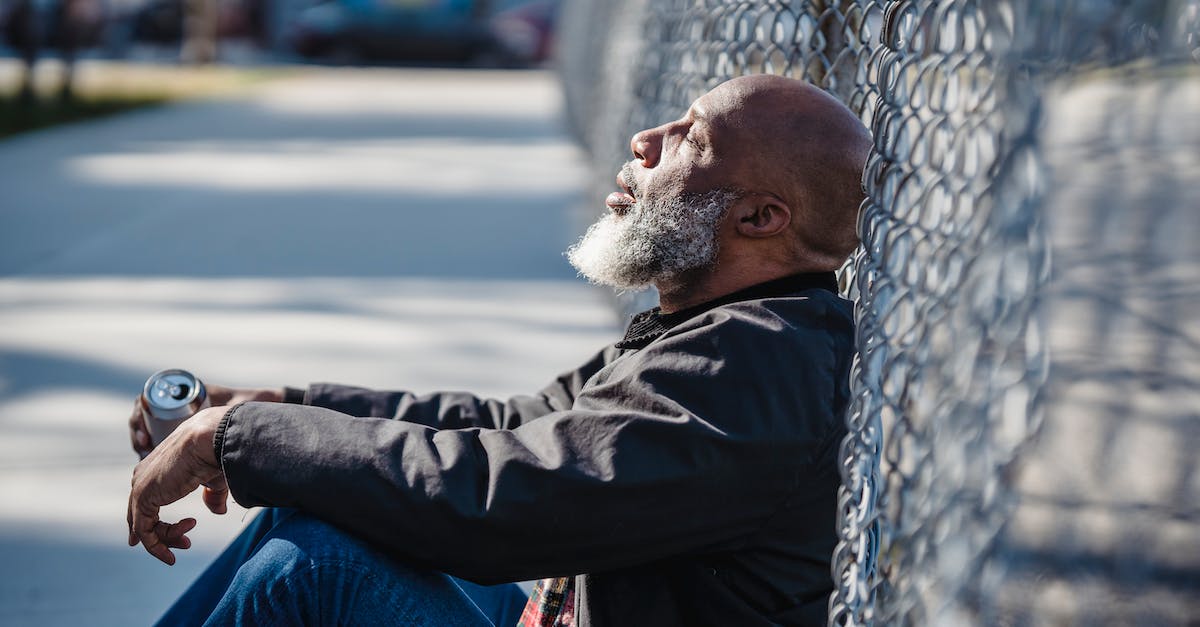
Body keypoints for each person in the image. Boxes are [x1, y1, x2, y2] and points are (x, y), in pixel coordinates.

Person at [126, 74, 872, 626]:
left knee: (316, 563)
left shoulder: (756, 363)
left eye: (693, 139)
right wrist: (276, 409)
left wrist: (236, 440)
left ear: (761, 217)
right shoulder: (723, 327)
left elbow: (501, 504)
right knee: (305, 508)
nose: (648, 141)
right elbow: (516, 421)